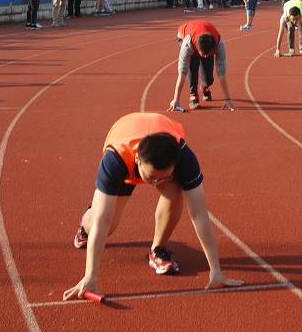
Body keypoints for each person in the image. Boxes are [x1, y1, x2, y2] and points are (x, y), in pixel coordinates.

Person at [63, 112, 243, 301]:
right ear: (139, 159)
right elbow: (102, 221)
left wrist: (216, 269)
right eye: (151, 177)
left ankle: (157, 249)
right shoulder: (114, 160)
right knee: (106, 225)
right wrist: (90, 277)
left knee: (175, 191)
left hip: (156, 142)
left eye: (162, 177)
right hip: (125, 155)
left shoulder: (185, 158)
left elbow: (199, 215)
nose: (156, 182)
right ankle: (84, 225)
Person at [168, 20, 236, 110]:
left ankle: (204, 86)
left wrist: (227, 98)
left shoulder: (219, 45)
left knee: (209, 79)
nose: (204, 57)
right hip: (186, 34)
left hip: (204, 37)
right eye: (202, 54)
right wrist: (176, 98)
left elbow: (221, 73)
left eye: (207, 55)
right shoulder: (188, 45)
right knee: (193, 63)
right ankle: (193, 94)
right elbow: (182, 72)